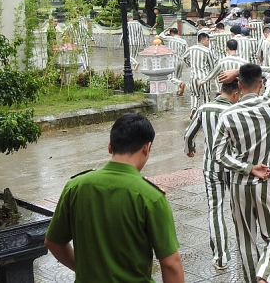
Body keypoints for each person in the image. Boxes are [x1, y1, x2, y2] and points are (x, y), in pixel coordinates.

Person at [44, 114, 184, 283]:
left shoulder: (75, 186)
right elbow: (171, 264)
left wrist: (85, 271)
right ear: (146, 148)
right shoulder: (150, 197)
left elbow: (53, 242)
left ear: (110, 147)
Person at [212, 64, 270, 283]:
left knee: (245, 238)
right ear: (261, 84)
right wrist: (237, 71)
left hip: (239, 184)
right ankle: (265, 275)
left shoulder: (227, 115)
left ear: (239, 85)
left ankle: (253, 279)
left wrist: (248, 167)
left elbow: (218, 154)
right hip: (266, 182)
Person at [184, 78, 241, 270]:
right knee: (239, 210)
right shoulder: (237, 110)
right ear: (235, 93)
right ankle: (244, 249)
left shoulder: (204, 109)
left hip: (211, 167)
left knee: (215, 209)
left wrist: (189, 148)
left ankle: (221, 257)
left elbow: (188, 134)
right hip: (234, 168)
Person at [182, 32, 217, 117]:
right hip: (204, 77)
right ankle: (206, 113)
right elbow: (212, 66)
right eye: (207, 40)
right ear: (203, 40)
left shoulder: (191, 48)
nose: (208, 42)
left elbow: (183, 57)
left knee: (194, 94)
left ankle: (194, 108)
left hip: (193, 76)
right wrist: (213, 75)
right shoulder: (207, 51)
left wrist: (190, 64)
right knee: (206, 95)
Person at [162, 28, 187, 96]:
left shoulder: (170, 38)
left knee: (171, 77)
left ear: (171, 33)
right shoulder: (183, 41)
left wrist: (165, 30)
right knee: (178, 76)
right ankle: (178, 91)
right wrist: (187, 62)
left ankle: (180, 84)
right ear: (177, 32)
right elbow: (187, 52)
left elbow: (161, 36)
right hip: (181, 61)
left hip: (172, 60)